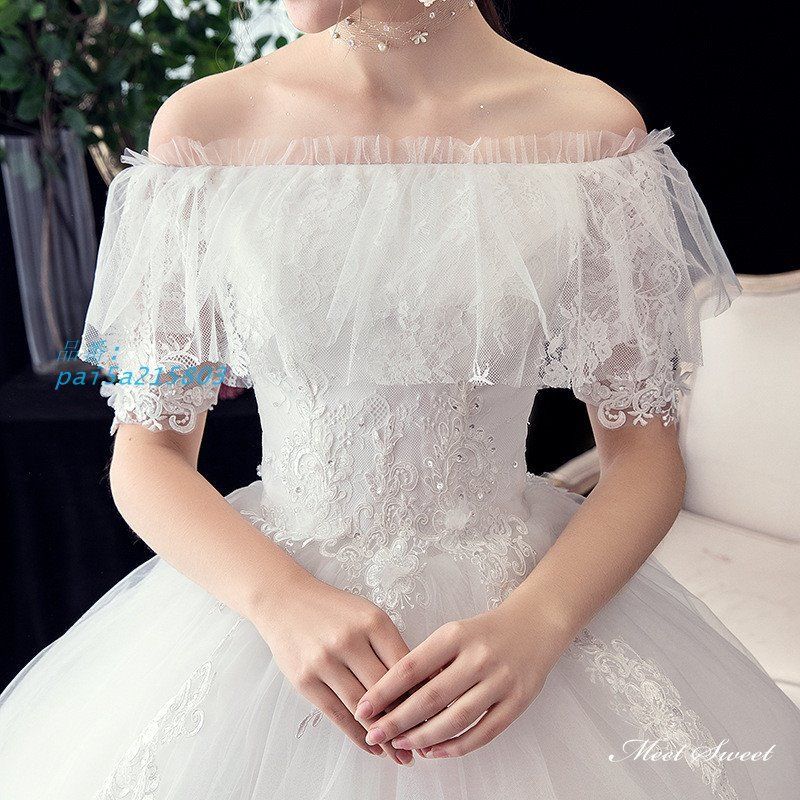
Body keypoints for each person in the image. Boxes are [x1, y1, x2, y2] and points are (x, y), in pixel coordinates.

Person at [2, 1, 799, 798]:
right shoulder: (206, 130)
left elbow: (644, 457)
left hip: (516, 633)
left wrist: (541, 623)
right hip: (265, 633)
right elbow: (146, 454)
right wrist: (279, 601)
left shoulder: (589, 136)